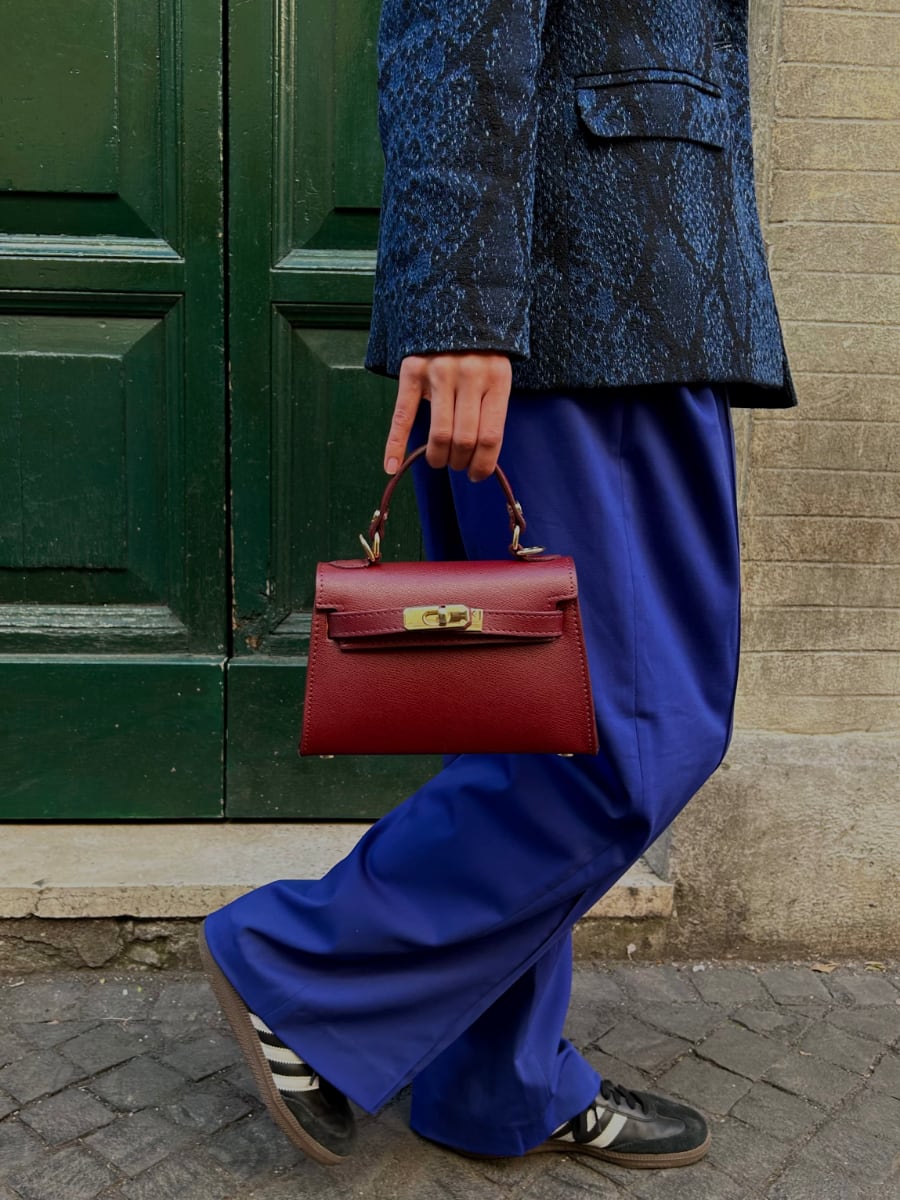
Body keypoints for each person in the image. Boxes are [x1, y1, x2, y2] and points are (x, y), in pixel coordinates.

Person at [199, 0, 796, 1171]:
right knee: (623, 743)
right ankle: (300, 966)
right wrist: (463, 304)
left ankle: (496, 1083)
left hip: (634, 279)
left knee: (534, 727)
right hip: (581, 299)